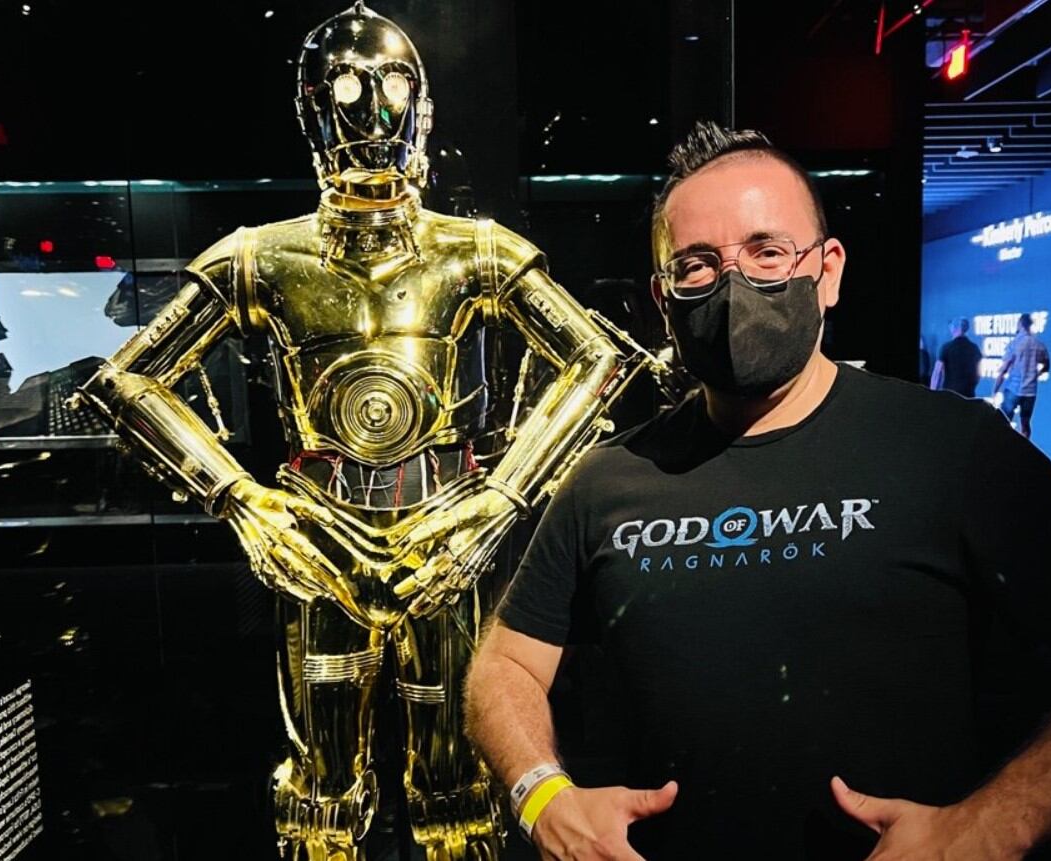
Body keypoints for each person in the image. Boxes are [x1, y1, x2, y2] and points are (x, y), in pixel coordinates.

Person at [462, 121, 1051, 860]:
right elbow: (503, 666)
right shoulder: (608, 478)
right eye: (698, 265)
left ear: (828, 270)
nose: (734, 286)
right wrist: (542, 797)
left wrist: (995, 825)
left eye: (767, 251)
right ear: (663, 297)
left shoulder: (951, 446)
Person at [74, 5, 652, 858]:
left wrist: (497, 497)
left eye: (391, 89)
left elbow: (599, 360)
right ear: (313, 109)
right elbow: (123, 380)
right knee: (322, 787)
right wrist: (242, 501)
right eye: (346, 90)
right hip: (318, 537)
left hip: (447, 530)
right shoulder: (260, 256)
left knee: (455, 781)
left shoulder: (475, 251)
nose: (372, 115)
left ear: (421, 107)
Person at [994, 312, 1051, 438]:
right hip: (1030, 391)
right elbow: (1047, 365)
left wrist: (996, 389)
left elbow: (1005, 368)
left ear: (1020, 324)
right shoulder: (1039, 345)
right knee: (1025, 424)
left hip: (1013, 388)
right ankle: (1023, 448)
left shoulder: (1015, 343)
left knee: (1003, 422)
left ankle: (1003, 446)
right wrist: (1036, 375)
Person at [930, 317, 982, 398]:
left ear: (953, 328)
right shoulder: (975, 348)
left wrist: (932, 395)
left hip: (950, 396)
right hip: (969, 396)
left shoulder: (946, 347)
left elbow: (937, 373)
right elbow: (978, 374)